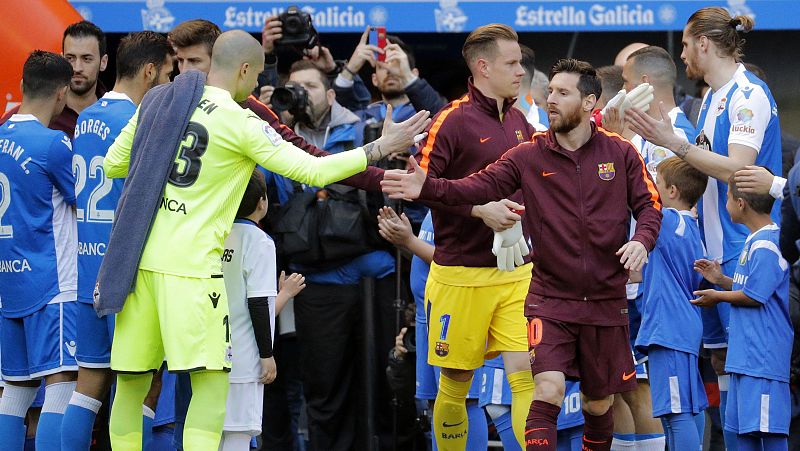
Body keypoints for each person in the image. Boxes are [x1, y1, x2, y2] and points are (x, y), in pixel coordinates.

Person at [97, 30, 428, 451]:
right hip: (192, 272)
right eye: (255, 79)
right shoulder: (242, 122)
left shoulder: (159, 103)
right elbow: (313, 171)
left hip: (139, 264)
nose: (255, 87)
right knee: (210, 388)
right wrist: (380, 146)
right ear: (244, 70)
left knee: (130, 388)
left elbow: (113, 164)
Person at [381, 58, 663, 451]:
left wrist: (641, 241)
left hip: (604, 299)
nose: (551, 99)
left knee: (598, 403)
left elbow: (650, 205)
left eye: (563, 93)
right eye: (551, 91)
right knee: (546, 389)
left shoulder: (620, 152)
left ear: (589, 102)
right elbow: (475, 187)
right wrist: (427, 186)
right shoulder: (528, 154)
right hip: (549, 299)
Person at [626, 10, 782, 450]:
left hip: (742, 247)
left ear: (704, 44)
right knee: (719, 364)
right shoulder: (713, 96)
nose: (681, 55)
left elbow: (738, 170)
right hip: (712, 253)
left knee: (746, 371)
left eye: (684, 45)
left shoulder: (748, 94)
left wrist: (673, 143)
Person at [395, 23, 537, 450]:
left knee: (525, 376)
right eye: (512, 63)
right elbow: (418, 187)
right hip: (460, 275)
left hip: (515, 273)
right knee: (457, 385)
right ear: (482, 67)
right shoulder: (451, 121)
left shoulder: (519, 120)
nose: (520, 71)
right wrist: (478, 210)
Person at [57, 31, 174, 451]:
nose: (169, 84)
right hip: (128, 276)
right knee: (145, 387)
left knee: (87, 387)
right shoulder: (140, 120)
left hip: (88, 268)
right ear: (149, 71)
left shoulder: (88, 116)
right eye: (168, 74)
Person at [0, 50, 78, 451]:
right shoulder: (54, 144)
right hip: (52, 285)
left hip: (8, 285)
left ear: (22, 86)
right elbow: (84, 201)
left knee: (15, 391)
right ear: (62, 94)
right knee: (62, 384)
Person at [693, 173, 792, 450]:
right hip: (744, 358)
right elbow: (749, 286)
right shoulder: (754, 239)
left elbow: (755, 296)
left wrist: (717, 296)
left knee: (768, 433)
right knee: (742, 434)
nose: (725, 204)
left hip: (762, 361)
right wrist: (721, 280)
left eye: (726, 198)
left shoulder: (768, 242)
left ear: (740, 203)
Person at [377, 207, 489, 450]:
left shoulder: (467, 194)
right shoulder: (439, 197)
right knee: (436, 402)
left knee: (462, 399)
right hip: (427, 312)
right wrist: (403, 240)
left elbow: (460, 260)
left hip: (453, 310)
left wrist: (410, 240)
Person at [219, 169, 306, 450]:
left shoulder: (216, 234)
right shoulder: (260, 241)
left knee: (211, 436)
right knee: (238, 436)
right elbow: (257, 305)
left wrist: (278, 295)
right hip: (244, 360)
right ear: (262, 202)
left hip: (210, 355)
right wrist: (267, 355)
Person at [633, 157, 709, 450]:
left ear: (672, 191)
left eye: (658, 184)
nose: (653, 189)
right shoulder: (690, 227)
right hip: (679, 327)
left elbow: (638, 199)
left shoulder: (669, 221)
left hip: (669, 329)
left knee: (676, 414)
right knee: (682, 409)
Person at [0, 21, 107, 136]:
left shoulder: (116, 113)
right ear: (62, 59)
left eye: (86, 59)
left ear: (103, 62)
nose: (77, 68)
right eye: (70, 58)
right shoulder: (21, 117)